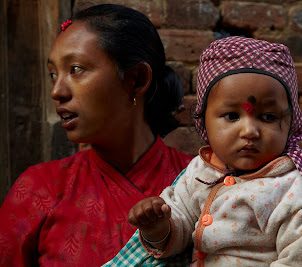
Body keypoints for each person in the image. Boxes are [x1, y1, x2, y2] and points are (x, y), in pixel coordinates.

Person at [0, 4, 193, 266]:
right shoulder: (39, 188)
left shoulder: (200, 183)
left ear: (135, 79)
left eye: (76, 69)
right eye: (53, 74)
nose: (56, 91)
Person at [124, 36, 302, 266]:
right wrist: (159, 227)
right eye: (232, 116)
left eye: (268, 117)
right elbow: (183, 220)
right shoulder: (200, 171)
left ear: (291, 123)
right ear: (203, 120)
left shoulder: (293, 191)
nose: (249, 131)